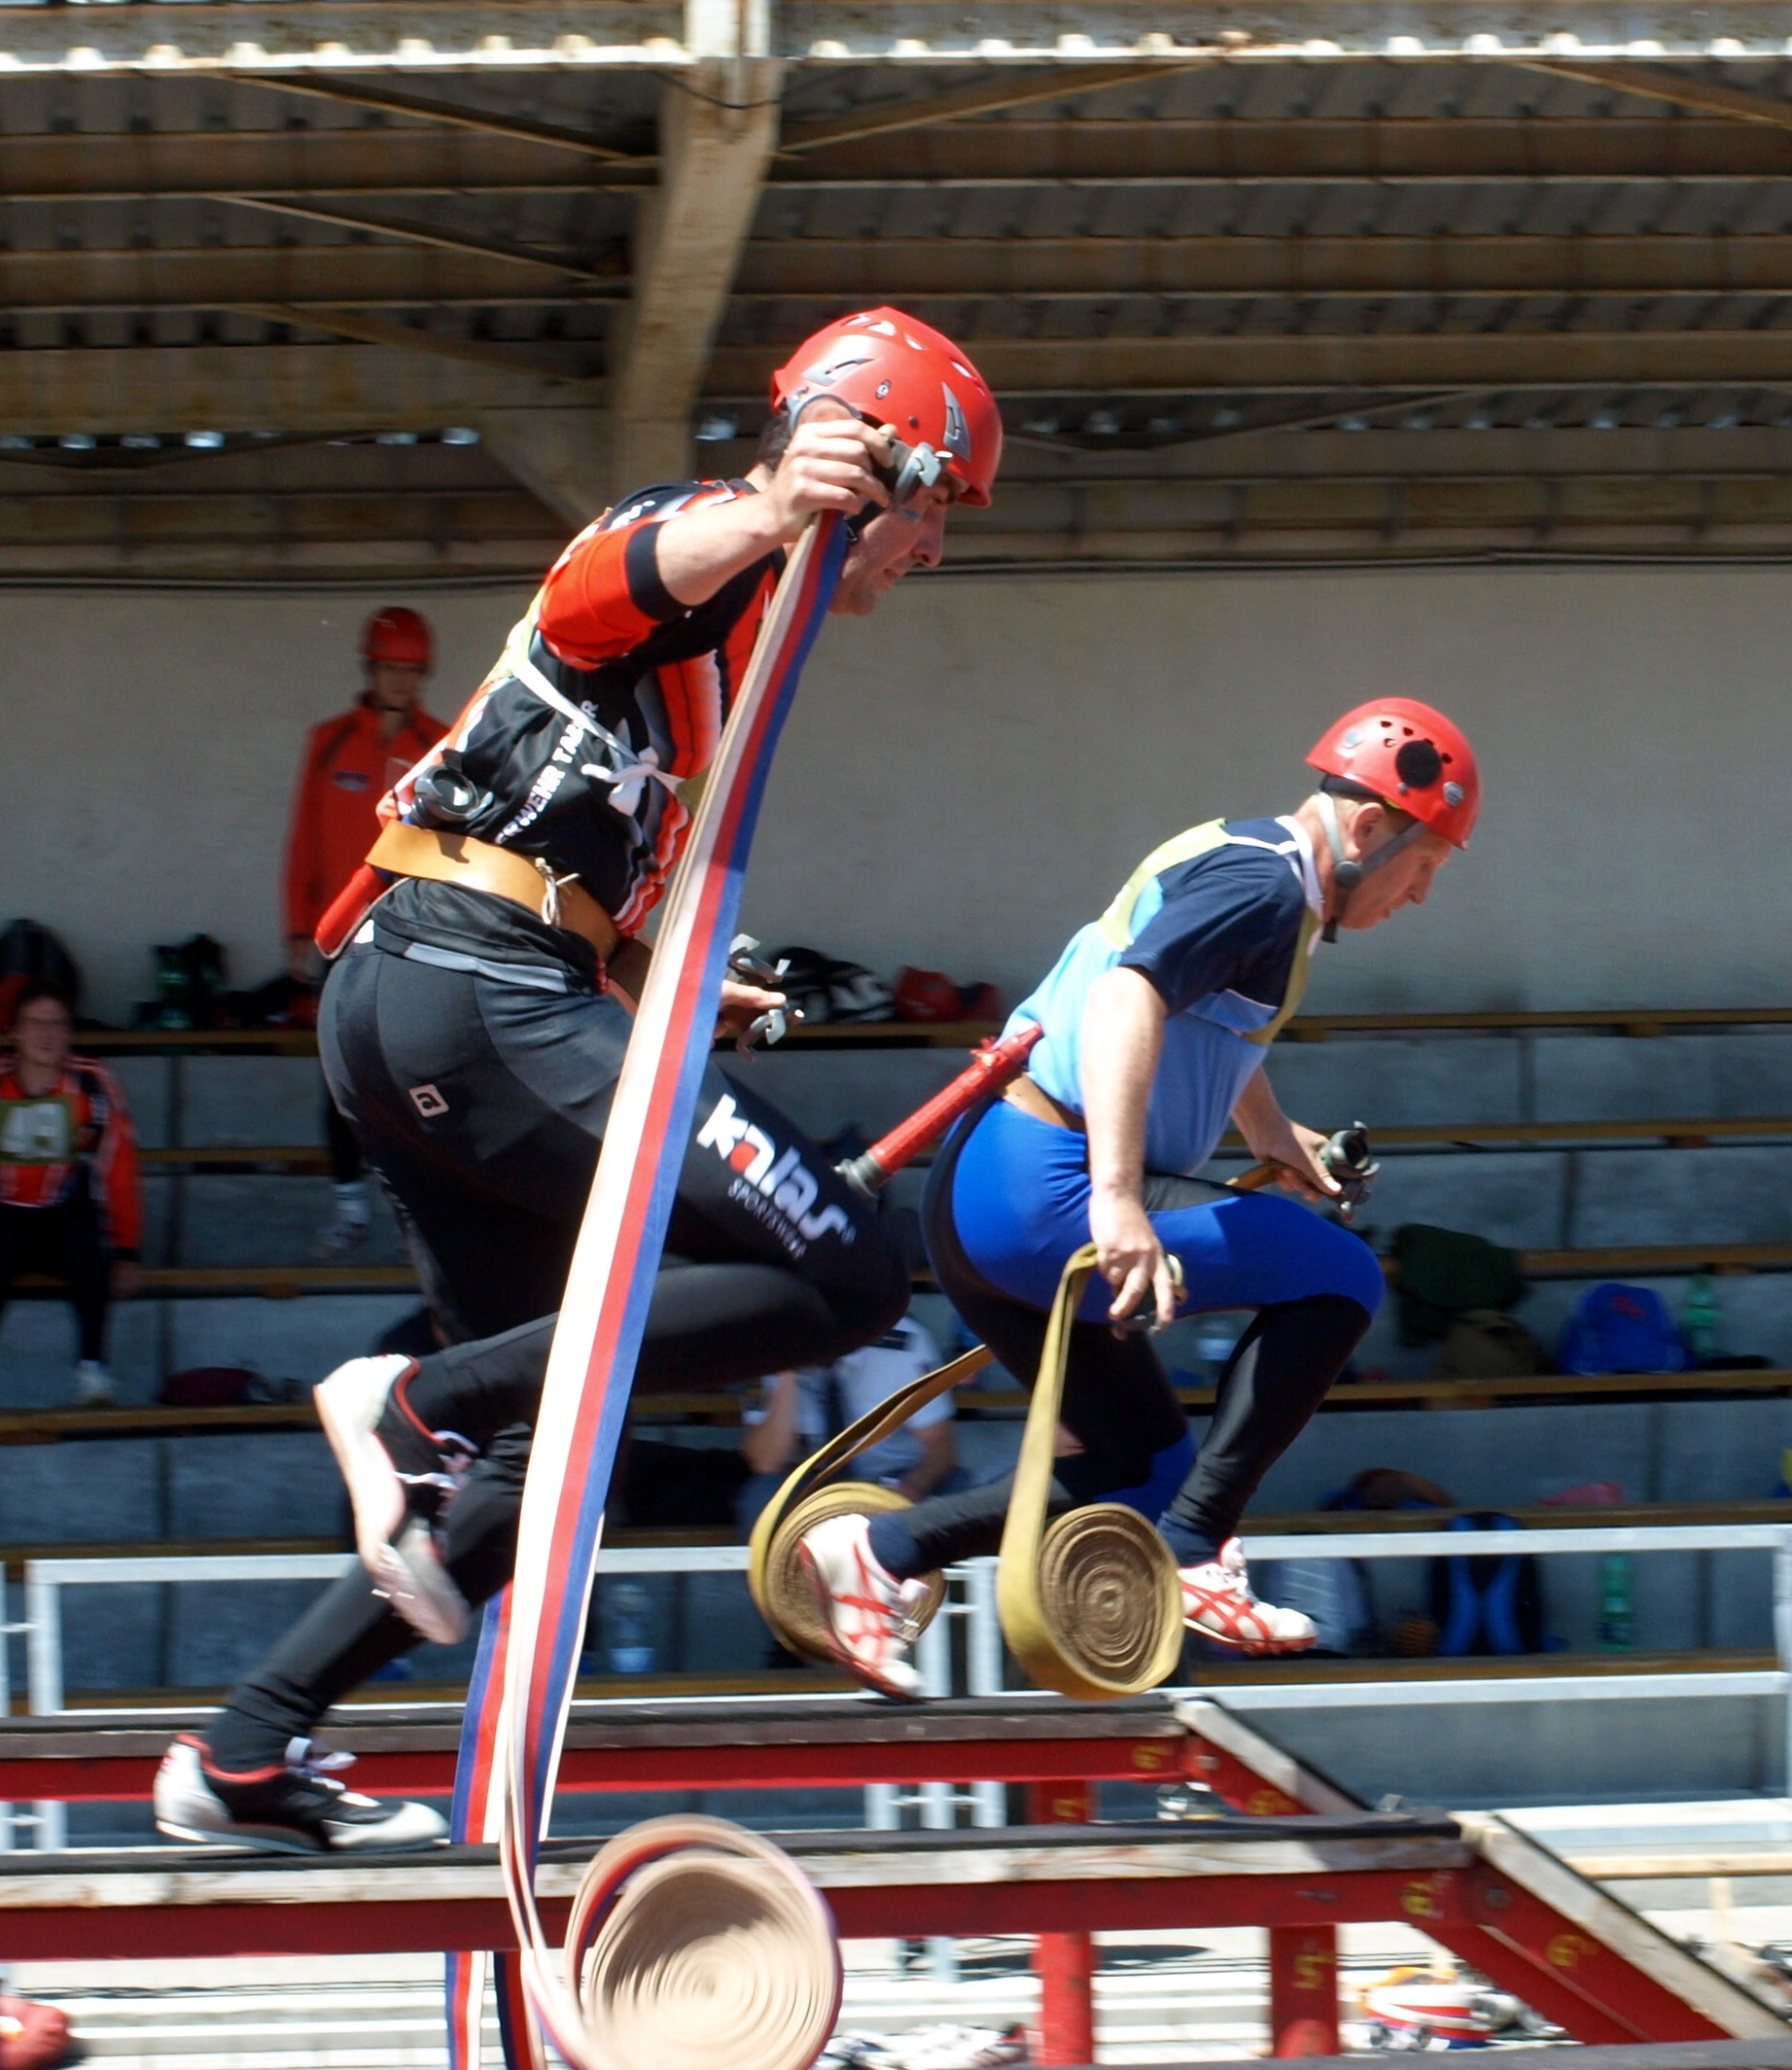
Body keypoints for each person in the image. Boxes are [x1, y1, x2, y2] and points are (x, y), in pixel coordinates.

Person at [154, 308, 1007, 1853]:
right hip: (470, 989)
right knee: (852, 1270)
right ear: (865, 460)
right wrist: (777, 501)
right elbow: (600, 588)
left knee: (541, 1460)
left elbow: (577, 815)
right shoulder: (710, 547)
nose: (936, 547)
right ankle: (401, 1397)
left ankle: (246, 1745)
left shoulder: (738, 643)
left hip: (435, 993)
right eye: (936, 503)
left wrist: (661, 967)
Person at [788, 698, 1478, 1689]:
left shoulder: (1248, 859)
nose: (1420, 896)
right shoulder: (1265, 891)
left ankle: (879, 1554)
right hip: (1043, 1190)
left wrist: (1272, 1135)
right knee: (1341, 1278)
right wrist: (1114, 1199)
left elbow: (1201, 1018)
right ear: (1369, 829)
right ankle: (1199, 1553)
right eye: (1426, 867)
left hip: (986, 1189)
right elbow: (1127, 996)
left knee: (1141, 1472)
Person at [283, 607, 446, 1259]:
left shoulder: (442, 744)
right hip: (340, 936)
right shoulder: (328, 742)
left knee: (414, 1080)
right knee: (341, 1078)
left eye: (412, 671)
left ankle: (420, 1214)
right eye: (389, 668)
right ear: (369, 668)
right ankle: (349, 1209)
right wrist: (297, 929)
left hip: (414, 940)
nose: (400, 681)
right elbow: (303, 840)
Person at [0, 992, 142, 1407]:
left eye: (57, 1023)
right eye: (35, 1023)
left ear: (70, 1034)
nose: (46, 1034)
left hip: (63, 1216)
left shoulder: (92, 1081)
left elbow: (118, 1164)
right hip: (5, 1217)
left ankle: (93, 1371)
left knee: (87, 1239)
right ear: (15, 1033)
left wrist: (128, 1250)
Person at [735, 1312, 962, 1533]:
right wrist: (786, 1373)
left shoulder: (904, 1342)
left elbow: (940, 1449)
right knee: (760, 1499)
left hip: (895, 1474)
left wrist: (909, 1490)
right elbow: (766, 1462)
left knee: (958, 1492)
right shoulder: (768, 1347)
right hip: (811, 1480)